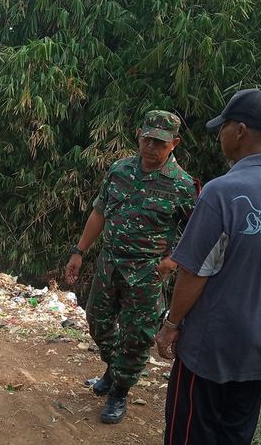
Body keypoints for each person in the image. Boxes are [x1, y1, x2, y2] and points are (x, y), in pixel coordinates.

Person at [154, 88, 261, 445]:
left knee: (190, 437)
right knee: (235, 437)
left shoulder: (222, 192)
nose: (220, 135)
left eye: (223, 127)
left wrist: (171, 325)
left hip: (212, 349)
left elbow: (194, 271)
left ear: (240, 131)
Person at [65, 110, 197, 424]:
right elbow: (100, 212)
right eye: (147, 139)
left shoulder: (182, 185)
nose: (151, 147)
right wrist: (79, 252)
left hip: (147, 274)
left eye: (160, 142)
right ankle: (115, 369)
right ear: (139, 136)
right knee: (97, 321)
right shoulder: (120, 170)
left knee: (138, 337)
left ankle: (119, 392)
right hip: (109, 266)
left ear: (174, 144)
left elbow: (198, 234)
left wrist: (171, 262)